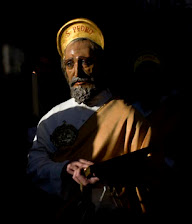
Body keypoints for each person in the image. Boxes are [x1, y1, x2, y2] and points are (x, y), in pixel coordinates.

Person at [26, 18, 158, 223]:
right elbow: (34, 167)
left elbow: (152, 174)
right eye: (69, 64)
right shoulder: (51, 119)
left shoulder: (128, 117)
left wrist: (108, 180)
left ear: (101, 65)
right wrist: (63, 169)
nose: (77, 72)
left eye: (85, 62)